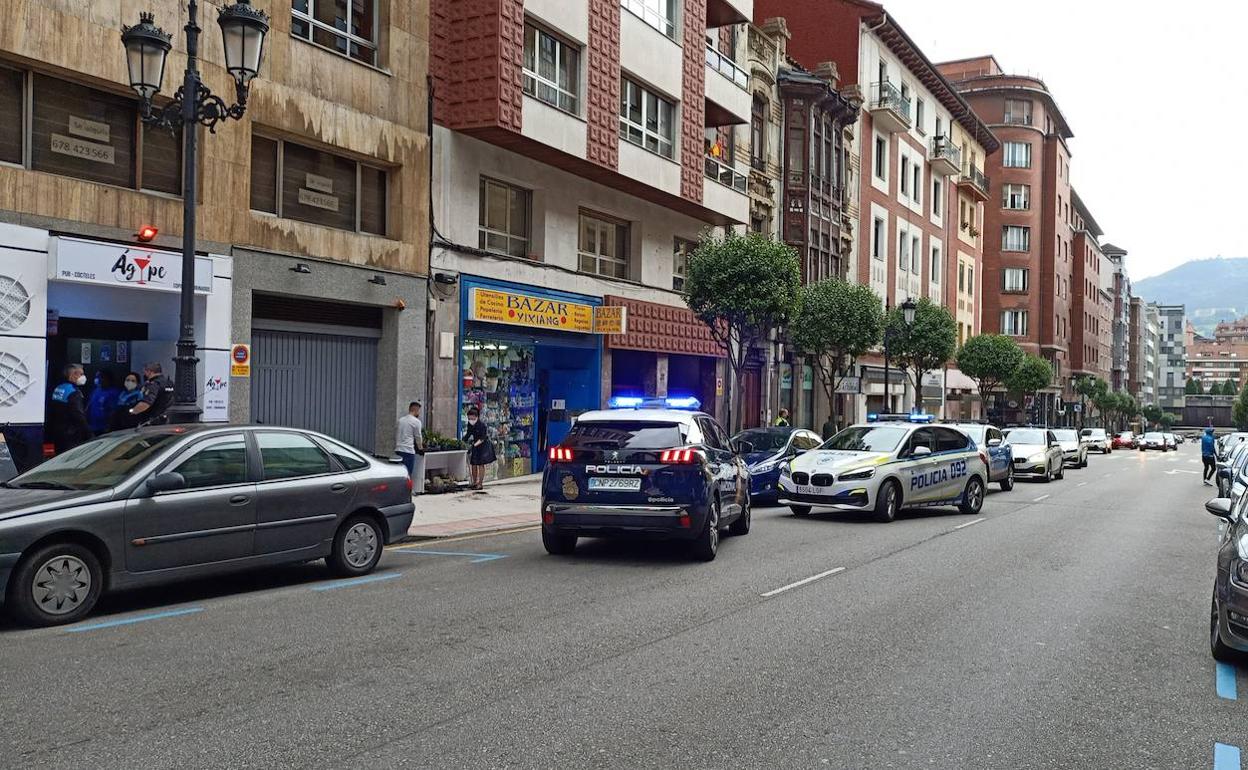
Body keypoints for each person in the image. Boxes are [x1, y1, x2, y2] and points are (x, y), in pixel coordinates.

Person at [47, 364, 91, 454]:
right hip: (71, 435)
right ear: (73, 375)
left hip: (57, 433)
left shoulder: (58, 388)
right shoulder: (73, 392)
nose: (83, 377)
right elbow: (78, 415)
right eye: (81, 374)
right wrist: (89, 434)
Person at [394, 401, 426, 495]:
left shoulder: (401, 420)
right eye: (418, 411)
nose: (419, 413)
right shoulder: (416, 422)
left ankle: (398, 490)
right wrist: (420, 449)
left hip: (398, 449)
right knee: (408, 472)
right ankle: (408, 491)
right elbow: (418, 437)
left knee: (399, 472)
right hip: (408, 451)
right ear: (415, 410)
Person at [463, 405, 495, 490]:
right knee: (473, 463)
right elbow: (468, 434)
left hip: (483, 445)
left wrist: (474, 445)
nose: (470, 420)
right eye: (469, 418)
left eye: (472, 418)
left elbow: (483, 438)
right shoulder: (470, 425)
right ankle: (474, 482)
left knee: (481, 464)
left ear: (476, 417)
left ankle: (480, 483)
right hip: (475, 445)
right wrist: (462, 441)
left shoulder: (482, 425)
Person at [86, 370, 122, 435]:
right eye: (96, 377)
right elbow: (89, 404)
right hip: (92, 426)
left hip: (104, 428)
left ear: (106, 379)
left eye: (99, 377)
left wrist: (109, 426)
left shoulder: (114, 393)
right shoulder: (96, 390)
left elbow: (114, 411)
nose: (97, 379)